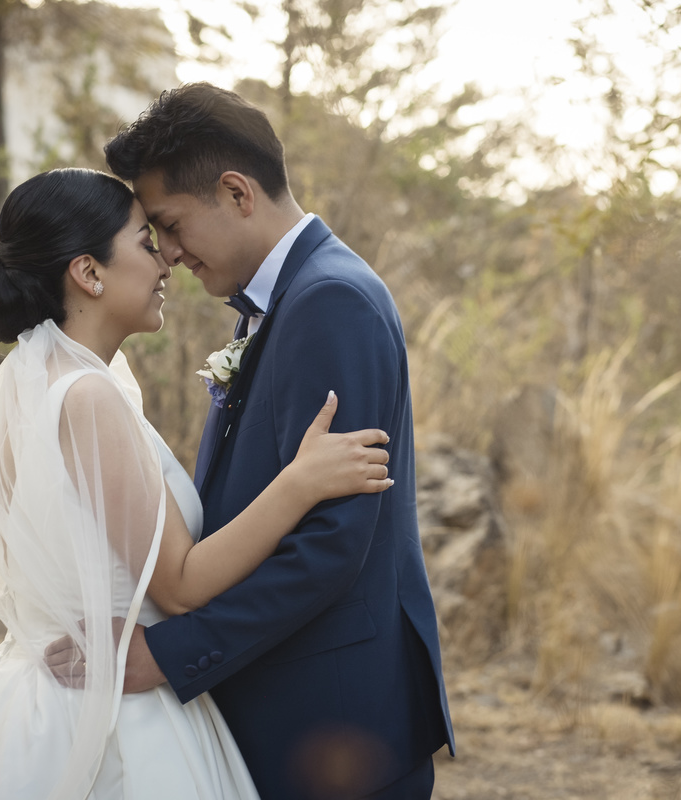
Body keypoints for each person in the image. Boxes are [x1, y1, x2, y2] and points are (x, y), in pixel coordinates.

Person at [0, 167, 395, 799]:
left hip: (40, 697)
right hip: (114, 713)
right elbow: (181, 586)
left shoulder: (36, 380)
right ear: (88, 272)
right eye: (145, 242)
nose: (166, 264)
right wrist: (300, 483)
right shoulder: (86, 397)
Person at [63, 83, 456, 799]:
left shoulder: (329, 300)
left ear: (237, 192)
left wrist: (172, 653)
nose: (171, 254)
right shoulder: (282, 298)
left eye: (172, 225)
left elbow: (334, 542)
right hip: (295, 705)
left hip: (336, 722)